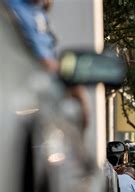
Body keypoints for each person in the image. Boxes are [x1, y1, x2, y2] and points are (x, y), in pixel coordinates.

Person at [6, 0, 90, 131]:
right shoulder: (12, 8)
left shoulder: (37, 11)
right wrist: (67, 77)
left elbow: (48, 54)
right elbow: (42, 61)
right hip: (18, 94)